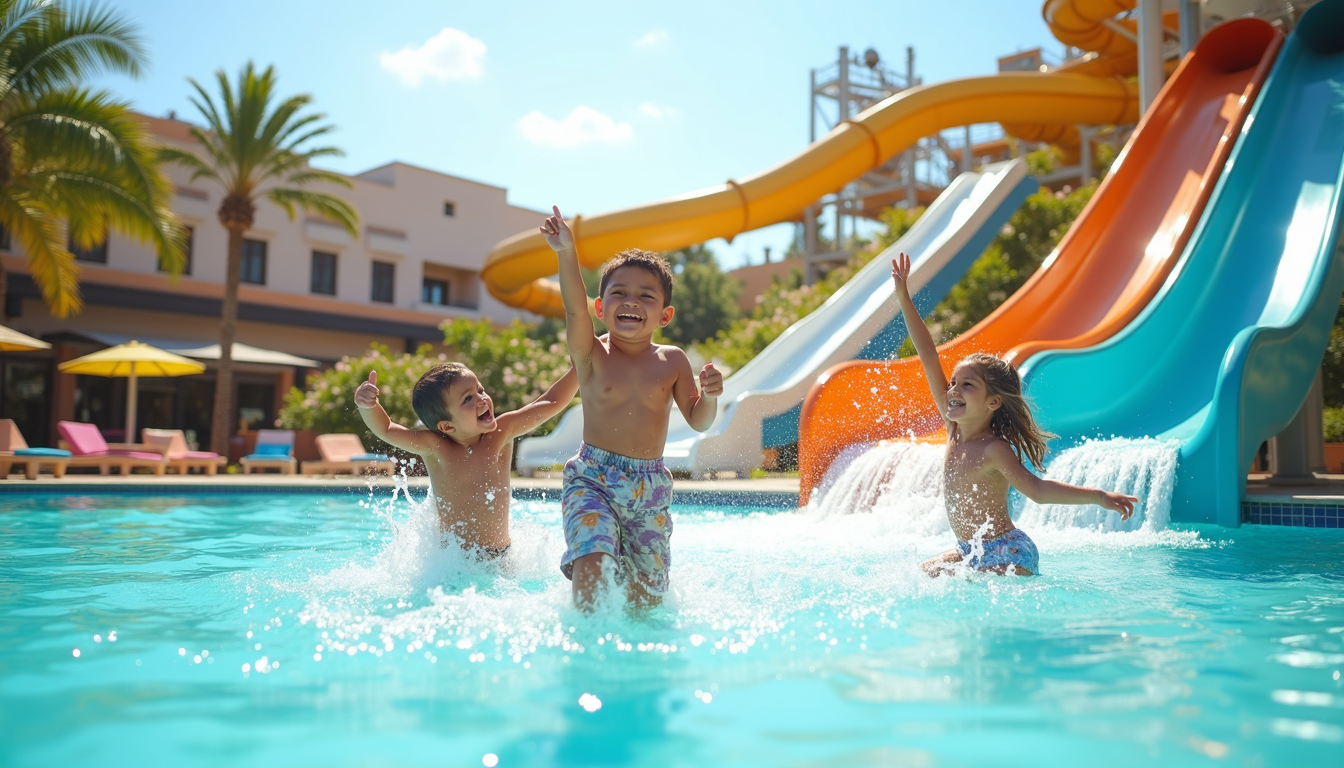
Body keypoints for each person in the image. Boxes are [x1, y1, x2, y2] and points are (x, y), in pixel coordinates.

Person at [889, 251, 1137, 576]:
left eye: (967, 385)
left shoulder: (994, 449)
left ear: (993, 402)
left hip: (1010, 552)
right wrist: (904, 298)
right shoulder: (953, 427)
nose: (952, 391)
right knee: (924, 574)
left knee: (955, 581)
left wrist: (1099, 497)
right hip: (969, 550)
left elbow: (1038, 491)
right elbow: (927, 354)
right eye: (952, 383)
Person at [540, 206, 724, 609]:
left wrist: (709, 397)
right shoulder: (591, 354)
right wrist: (566, 252)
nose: (631, 302)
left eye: (645, 295)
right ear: (600, 308)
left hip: (650, 487)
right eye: (618, 293)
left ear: (665, 314)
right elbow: (572, 307)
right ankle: (587, 646)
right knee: (592, 562)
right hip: (593, 479)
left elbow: (698, 420)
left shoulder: (672, 361)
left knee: (647, 597)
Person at [354, 363, 576, 558]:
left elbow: (551, 402)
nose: (482, 399)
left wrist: (582, 367)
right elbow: (387, 429)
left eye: (480, 390)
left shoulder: (501, 432)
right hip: (453, 559)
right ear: (447, 426)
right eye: (468, 399)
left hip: (501, 557)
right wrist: (369, 406)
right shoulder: (436, 448)